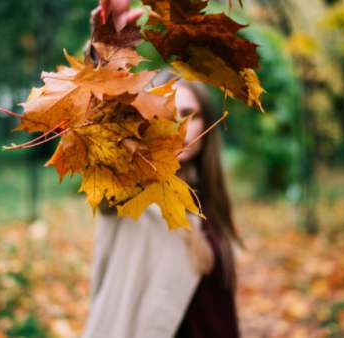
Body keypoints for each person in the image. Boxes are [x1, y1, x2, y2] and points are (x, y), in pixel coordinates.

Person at [82, 2, 243, 338]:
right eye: (167, 113)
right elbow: (100, 131)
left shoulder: (208, 199)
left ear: (207, 124)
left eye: (190, 113)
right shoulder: (130, 187)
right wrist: (105, 57)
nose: (180, 125)